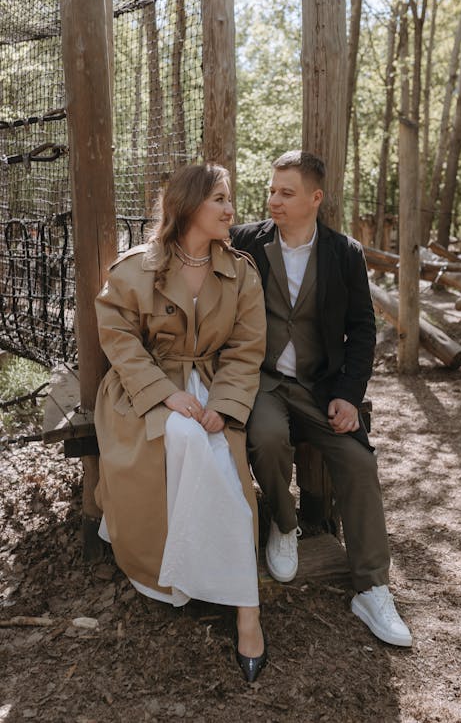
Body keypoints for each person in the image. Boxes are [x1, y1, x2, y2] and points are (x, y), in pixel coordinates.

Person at [230, 150, 412, 648]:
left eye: (286, 192)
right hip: (263, 380)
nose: (274, 200)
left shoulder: (344, 253)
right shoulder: (246, 241)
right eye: (271, 190)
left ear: (315, 197)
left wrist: (350, 396)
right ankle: (284, 524)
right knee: (265, 438)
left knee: (357, 462)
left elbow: (362, 329)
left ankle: (372, 589)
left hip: (319, 387)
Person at [93, 162, 268, 681]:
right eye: (220, 199)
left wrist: (227, 404)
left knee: (220, 452)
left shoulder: (241, 273)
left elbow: (246, 348)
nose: (230, 210)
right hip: (142, 391)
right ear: (190, 204)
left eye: (229, 199)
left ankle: (245, 607)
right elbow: (118, 339)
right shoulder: (133, 269)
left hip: (212, 388)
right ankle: (188, 581)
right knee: (186, 439)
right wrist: (165, 394)